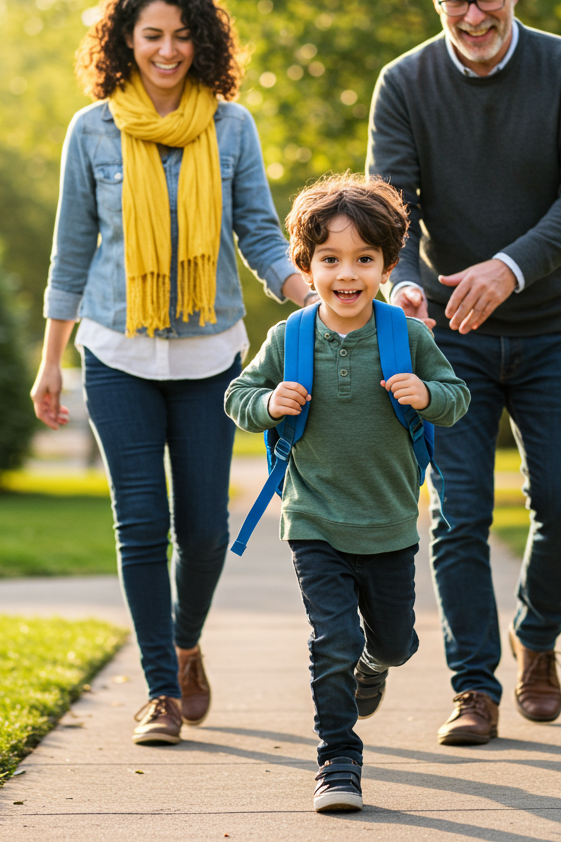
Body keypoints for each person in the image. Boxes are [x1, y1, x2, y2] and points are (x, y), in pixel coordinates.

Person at [31, 0, 312, 746]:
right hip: (116, 353)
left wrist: (310, 291)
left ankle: (186, 643)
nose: (166, 50)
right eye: (151, 34)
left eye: (182, 35)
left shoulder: (231, 127)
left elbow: (258, 233)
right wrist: (51, 362)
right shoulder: (92, 130)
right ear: (125, 40)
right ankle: (160, 689)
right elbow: (70, 254)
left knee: (205, 531)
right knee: (140, 524)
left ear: (203, 40)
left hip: (210, 355)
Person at [366, 0, 561, 745]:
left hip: (550, 328)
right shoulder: (403, 83)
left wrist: (507, 268)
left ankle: (537, 639)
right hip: (453, 339)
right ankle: (474, 688)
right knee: (458, 514)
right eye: (453, 2)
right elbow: (391, 212)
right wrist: (403, 285)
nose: (471, 17)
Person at [224, 174, 470, 812]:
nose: (347, 274)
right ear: (306, 264)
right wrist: (270, 404)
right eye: (330, 259)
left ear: (389, 264)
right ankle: (337, 761)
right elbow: (237, 398)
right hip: (315, 522)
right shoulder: (289, 338)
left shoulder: (405, 335)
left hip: (388, 522)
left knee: (394, 643)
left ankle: (376, 664)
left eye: (365, 259)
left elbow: (456, 398)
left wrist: (427, 393)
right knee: (329, 639)